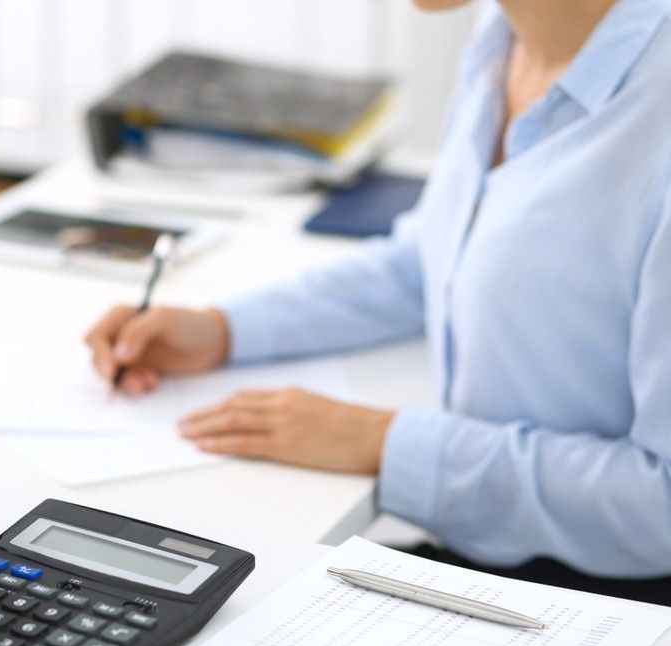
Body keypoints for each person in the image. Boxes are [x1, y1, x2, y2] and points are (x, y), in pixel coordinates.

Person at [84, 0, 671, 602]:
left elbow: (662, 509)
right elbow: (430, 259)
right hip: (485, 549)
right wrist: (226, 329)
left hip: (611, 600)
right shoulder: (504, 39)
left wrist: (387, 443)